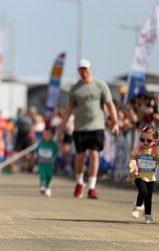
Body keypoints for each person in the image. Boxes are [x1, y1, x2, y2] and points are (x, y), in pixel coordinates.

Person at [61, 59, 119, 199]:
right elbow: (68, 109)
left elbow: (110, 104)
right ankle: (80, 182)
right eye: (81, 69)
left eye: (86, 69)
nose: (84, 71)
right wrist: (62, 126)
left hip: (97, 126)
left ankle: (92, 187)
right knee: (80, 156)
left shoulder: (100, 85)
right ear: (78, 70)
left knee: (94, 155)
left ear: (90, 69)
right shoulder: (75, 89)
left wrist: (115, 122)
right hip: (80, 127)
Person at [128, 125, 159, 224]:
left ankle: (148, 216)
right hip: (139, 176)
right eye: (142, 139)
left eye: (148, 141)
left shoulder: (156, 150)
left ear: (155, 141)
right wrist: (133, 163)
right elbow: (132, 155)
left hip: (151, 177)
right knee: (143, 191)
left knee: (149, 197)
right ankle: (137, 208)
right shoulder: (139, 149)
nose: (145, 142)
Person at [35, 127, 59, 197]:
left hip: (50, 164)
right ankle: (42, 185)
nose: (46, 136)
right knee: (42, 174)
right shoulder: (40, 143)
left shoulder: (53, 144)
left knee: (49, 176)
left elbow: (55, 151)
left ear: (52, 135)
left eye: (48, 135)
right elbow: (37, 151)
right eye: (44, 134)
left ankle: (48, 188)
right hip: (41, 163)